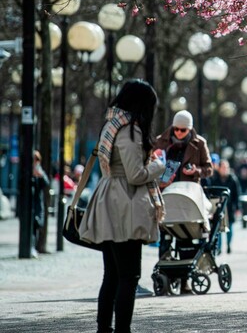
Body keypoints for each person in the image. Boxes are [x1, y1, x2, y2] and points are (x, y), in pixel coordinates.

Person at [78, 79, 166, 333]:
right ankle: (121, 330)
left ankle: (104, 328)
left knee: (112, 275)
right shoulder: (129, 130)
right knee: (129, 276)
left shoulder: (111, 124)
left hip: (109, 198)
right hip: (123, 204)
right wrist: (158, 165)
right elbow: (136, 174)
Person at [154, 110, 213, 260]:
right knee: (165, 233)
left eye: (183, 130)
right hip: (166, 191)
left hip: (188, 193)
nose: (179, 133)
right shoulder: (161, 141)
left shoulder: (199, 143)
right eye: (176, 129)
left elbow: (209, 169)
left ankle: (184, 277)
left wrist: (196, 170)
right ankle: (164, 270)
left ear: (190, 129)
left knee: (185, 235)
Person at [207, 159, 240, 254]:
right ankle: (219, 248)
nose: (225, 169)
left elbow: (236, 194)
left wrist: (238, 207)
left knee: (230, 228)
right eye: (223, 167)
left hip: (229, 207)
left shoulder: (233, 179)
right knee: (218, 227)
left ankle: (229, 245)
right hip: (218, 206)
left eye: (226, 167)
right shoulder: (214, 179)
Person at [32, 150, 49, 257]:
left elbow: (46, 183)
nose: (35, 162)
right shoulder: (26, 170)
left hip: (37, 203)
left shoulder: (39, 171)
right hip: (29, 205)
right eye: (34, 159)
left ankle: (34, 247)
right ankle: (31, 247)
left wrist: (40, 175)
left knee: (36, 225)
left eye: (37, 159)